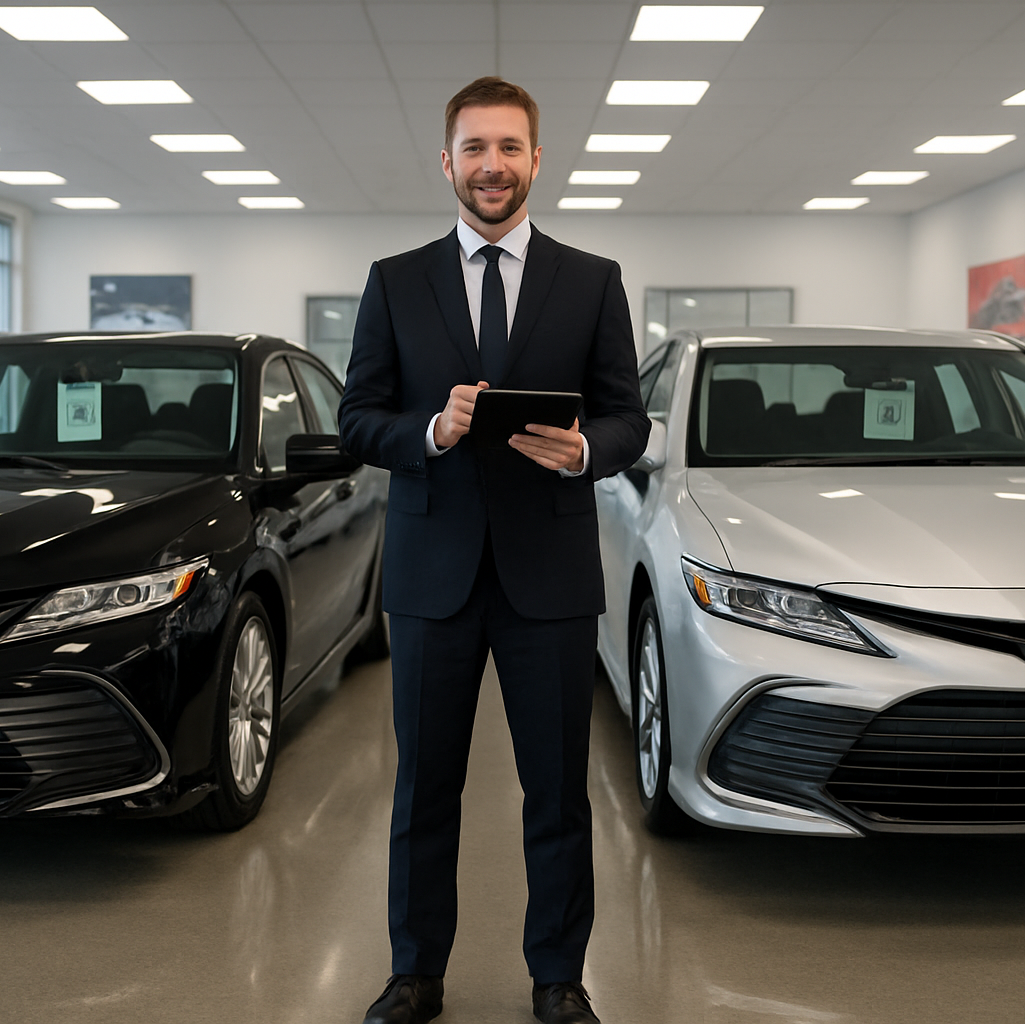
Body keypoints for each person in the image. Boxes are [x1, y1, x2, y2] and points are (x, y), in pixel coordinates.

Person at [338, 76, 649, 1024]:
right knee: (425, 788)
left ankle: (558, 978)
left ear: (536, 161)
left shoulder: (591, 279)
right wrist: (429, 433)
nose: (492, 166)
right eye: (475, 148)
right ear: (448, 162)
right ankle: (415, 973)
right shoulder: (396, 280)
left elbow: (627, 417)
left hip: (548, 578)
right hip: (433, 574)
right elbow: (358, 418)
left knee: (557, 794)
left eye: (510, 148)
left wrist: (588, 451)